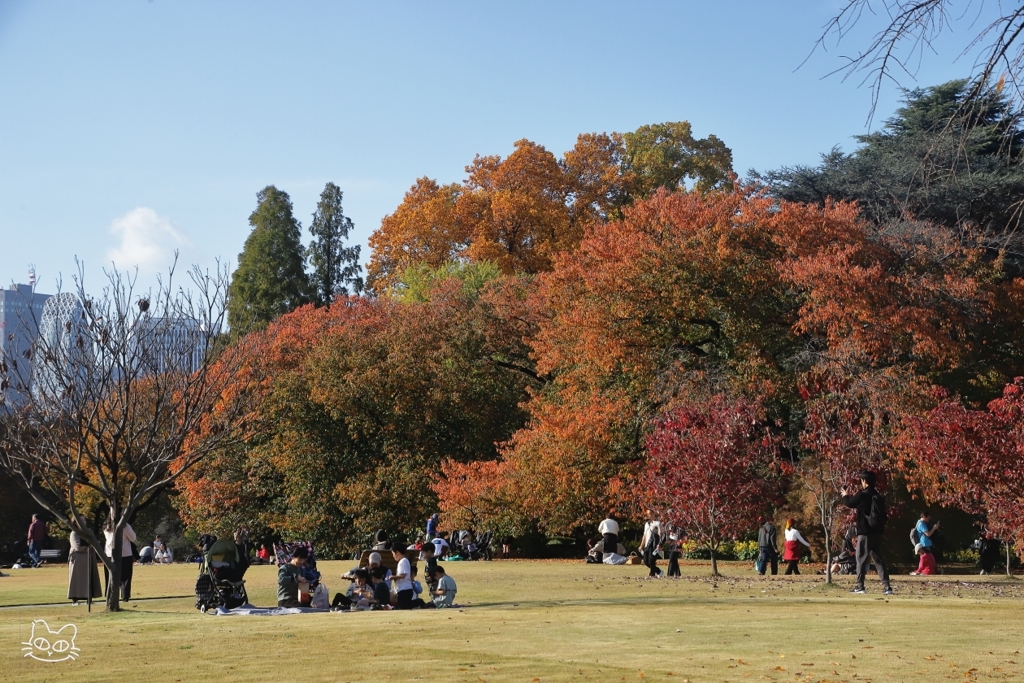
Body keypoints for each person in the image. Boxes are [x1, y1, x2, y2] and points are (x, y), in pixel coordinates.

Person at [841, 470, 893, 595]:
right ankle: (887, 587)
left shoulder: (863, 494)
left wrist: (845, 494)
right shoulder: (878, 496)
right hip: (878, 531)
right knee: (878, 559)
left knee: (861, 558)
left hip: (865, 532)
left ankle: (860, 586)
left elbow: (849, 503)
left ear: (864, 481)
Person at [103, 518, 137, 601]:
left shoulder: (106, 526)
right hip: (124, 553)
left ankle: (110, 595)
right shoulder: (125, 526)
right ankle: (125, 595)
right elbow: (133, 538)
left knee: (110, 576)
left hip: (109, 553)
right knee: (125, 576)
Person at [67, 527, 101, 605]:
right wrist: (89, 548)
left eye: (83, 520)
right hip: (78, 559)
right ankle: (75, 600)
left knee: (89, 578)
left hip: (89, 558)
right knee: (76, 579)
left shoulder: (88, 532)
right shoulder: (74, 533)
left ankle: (89, 599)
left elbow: (94, 542)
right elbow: (77, 547)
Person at [640, 512, 663, 577]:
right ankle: (658, 571)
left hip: (653, 545)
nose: (648, 515)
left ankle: (652, 574)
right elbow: (644, 535)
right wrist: (641, 545)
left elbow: (660, 535)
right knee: (645, 561)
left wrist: (659, 544)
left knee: (651, 560)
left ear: (653, 514)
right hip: (647, 544)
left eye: (649, 514)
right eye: (647, 514)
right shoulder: (646, 524)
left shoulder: (657, 523)